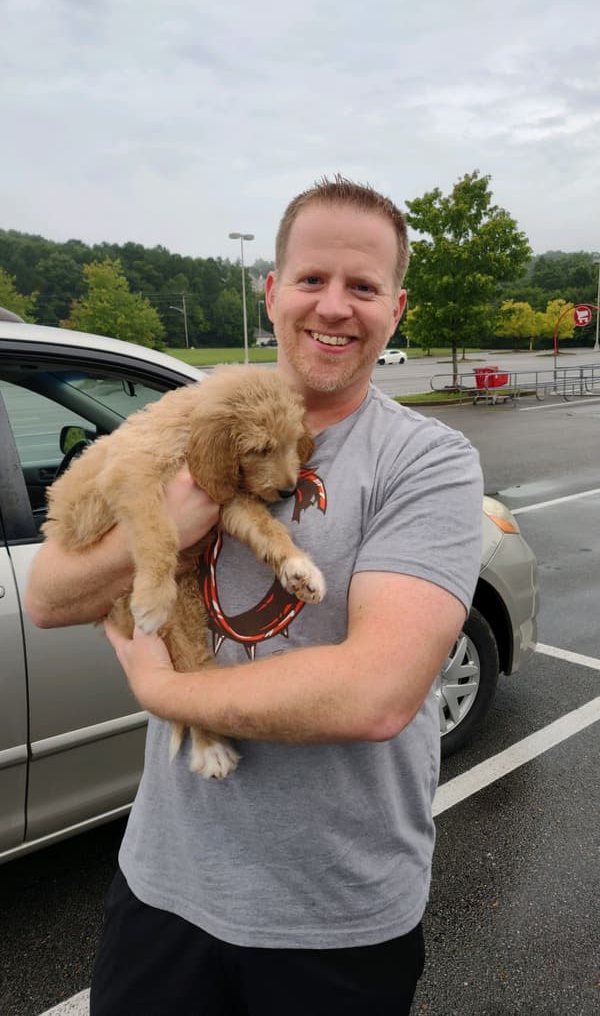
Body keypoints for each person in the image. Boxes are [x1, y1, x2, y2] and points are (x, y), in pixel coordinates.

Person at [26, 175, 483, 1015]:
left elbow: (377, 691)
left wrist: (164, 690)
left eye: (363, 287)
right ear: (271, 291)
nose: (335, 307)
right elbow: (50, 594)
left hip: (335, 916)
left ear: (397, 307)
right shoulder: (191, 419)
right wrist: (170, 517)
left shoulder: (429, 462)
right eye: (312, 280)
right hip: (163, 887)